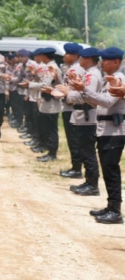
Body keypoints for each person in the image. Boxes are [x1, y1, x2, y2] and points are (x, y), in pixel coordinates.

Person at [71, 47, 125, 224]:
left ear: (116, 62)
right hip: (105, 129)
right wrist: (83, 91)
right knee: (107, 169)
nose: (102, 63)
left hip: (114, 130)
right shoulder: (108, 79)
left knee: (111, 169)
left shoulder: (118, 79)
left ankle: (115, 211)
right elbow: (97, 102)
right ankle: (111, 206)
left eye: (105, 60)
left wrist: (85, 89)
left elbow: (107, 101)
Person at [56, 47, 102, 196]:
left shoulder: (92, 75)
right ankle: (89, 182)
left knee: (87, 151)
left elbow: (87, 96)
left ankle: (92, 185)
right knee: (84, 150)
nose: (79, 60)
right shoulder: (89, 73)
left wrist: (67, 92)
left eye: (82, 57)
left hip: (87, 116)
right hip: (82, 115)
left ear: (88, 59)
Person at [56, 43, 86, 179]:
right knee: (75, 139)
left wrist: (63, 94)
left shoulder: (75, 69)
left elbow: (72, 90)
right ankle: (76, 167)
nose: (64, 56)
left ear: (74, 56)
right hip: (73, 107)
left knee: (73, 139)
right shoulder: (76, 68)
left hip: (72, 108)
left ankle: (76, 168)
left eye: (67, 53)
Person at [29, 47, 62, 162]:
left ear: (44, 56)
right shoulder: (49, 66)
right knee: (46, 127)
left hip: (51, 102)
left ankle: (52, 153)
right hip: (47, 102)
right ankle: (49, 150)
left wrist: (30, 84)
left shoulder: (52, 68)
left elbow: (45, 84)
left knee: (51, 129)